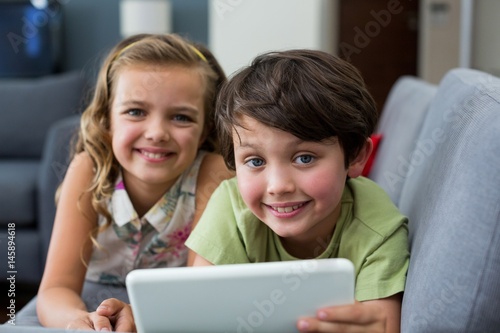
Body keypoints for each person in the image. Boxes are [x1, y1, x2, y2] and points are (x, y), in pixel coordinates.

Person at [185, 49, 410, 333]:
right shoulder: (230, 204)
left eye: (304, 158)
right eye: (255, 161)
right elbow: (198, 312)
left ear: (355, 157)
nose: (278, 186)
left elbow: (381, 324)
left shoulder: (378, 228)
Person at [36, 33, 233, 331]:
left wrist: (145, 315)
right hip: (92, 302)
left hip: (176, 307)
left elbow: (201, 291)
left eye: (181, 117)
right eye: (136, 112)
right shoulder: (87, 169)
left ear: (205, 130)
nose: (156, 132)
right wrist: (78, 321)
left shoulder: (213, 173)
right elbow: (55, 290)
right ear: (107, 120)